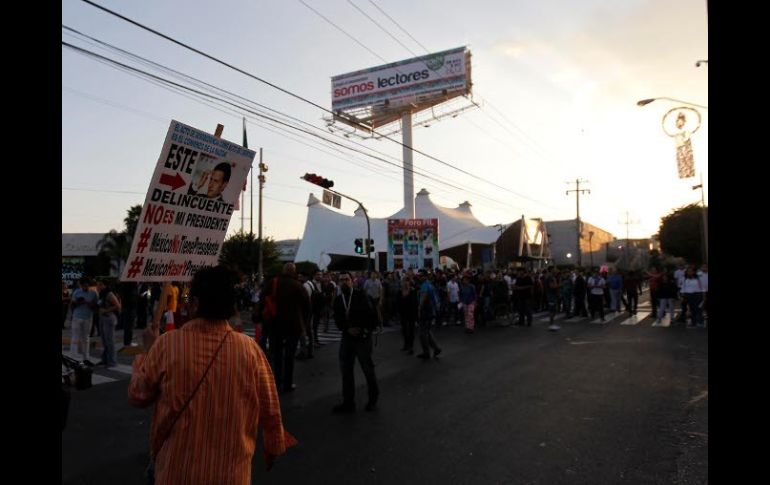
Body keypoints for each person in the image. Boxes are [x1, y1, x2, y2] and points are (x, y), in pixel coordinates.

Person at [128, 266, 297, 483]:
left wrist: (146, 352)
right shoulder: (250, 349)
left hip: (177, 471)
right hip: (231, 474)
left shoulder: (166, 345)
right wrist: (273, 445)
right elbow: (270, 406)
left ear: (196, 303)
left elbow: (138, 394)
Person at [332, 271, 379, 413]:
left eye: (346, 279)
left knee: (367, 369)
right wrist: (347, 329)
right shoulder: (339, 300)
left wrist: (364, 330)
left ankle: (372, 399)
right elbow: (338, 319)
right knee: (346, 370)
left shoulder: (361, 295)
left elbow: (372, 316)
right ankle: (348, 402)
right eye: (341, 280)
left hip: (362, 338)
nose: (344, 282)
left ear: (352, 281)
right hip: (347, 338)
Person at [69, 277, 98, 363]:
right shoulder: (77, 292)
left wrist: (89, 304)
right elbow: (72, 305)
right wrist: (78, 302)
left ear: (88, 285)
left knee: (85, 338)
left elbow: (96, 306)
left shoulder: (94, 293)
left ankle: (86, 357)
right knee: (75, 337)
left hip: (88, 317)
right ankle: (73, 356)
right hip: (77, 317)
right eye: (83, 286)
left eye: (86, 286)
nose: (84, 287)